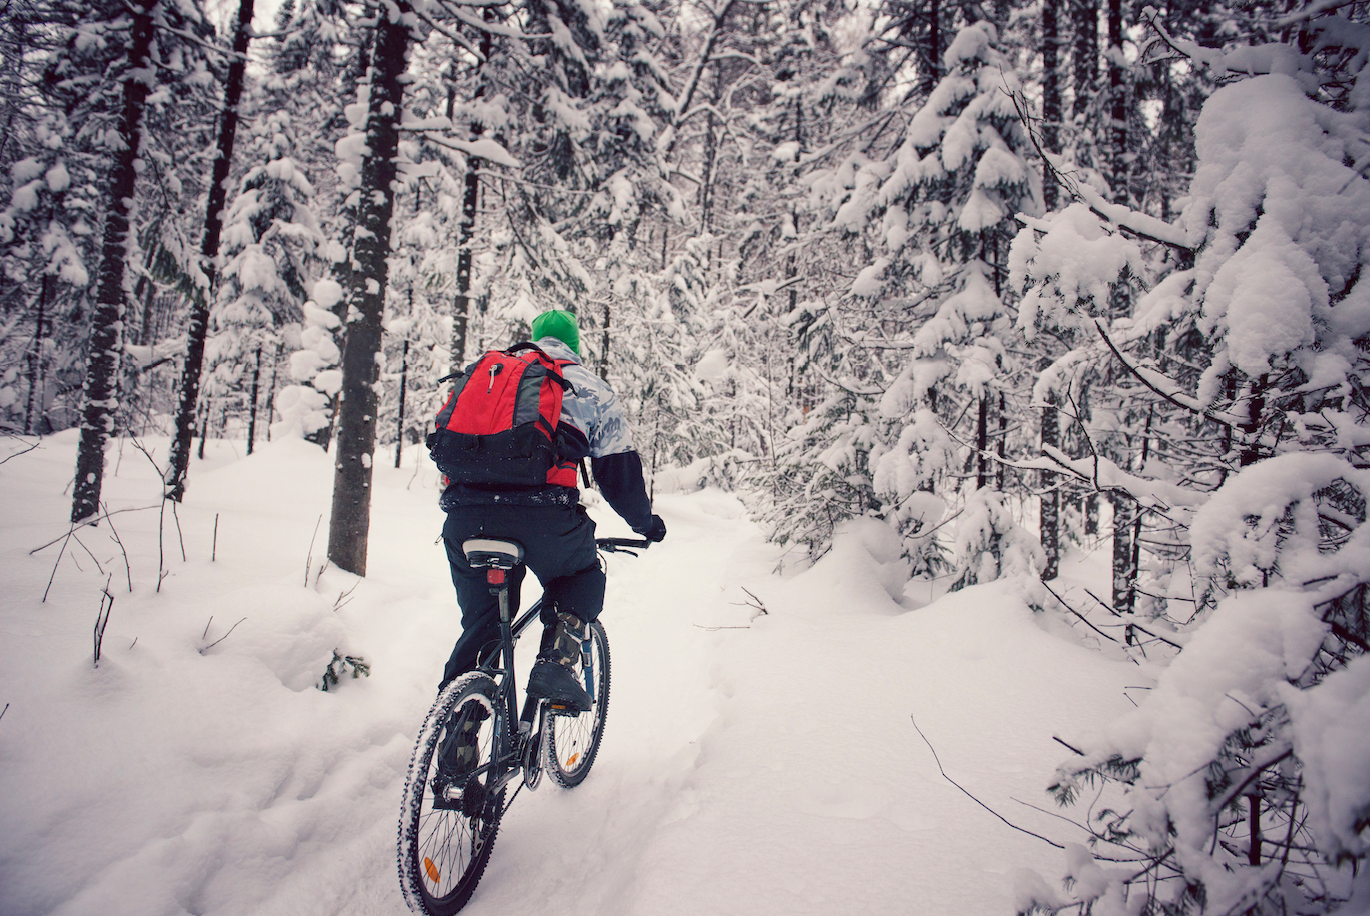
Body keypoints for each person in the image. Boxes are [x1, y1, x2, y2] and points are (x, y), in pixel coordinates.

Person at [438, 309, 666, 712]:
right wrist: (645, 524)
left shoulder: (494, 376)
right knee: (581, 573)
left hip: (465, 519)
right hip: (544, 517)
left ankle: (456, 730)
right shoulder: (591, 389)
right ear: (575, 345)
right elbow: (618, 475)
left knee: (481, 627)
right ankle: (557, 663)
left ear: (534, 337)